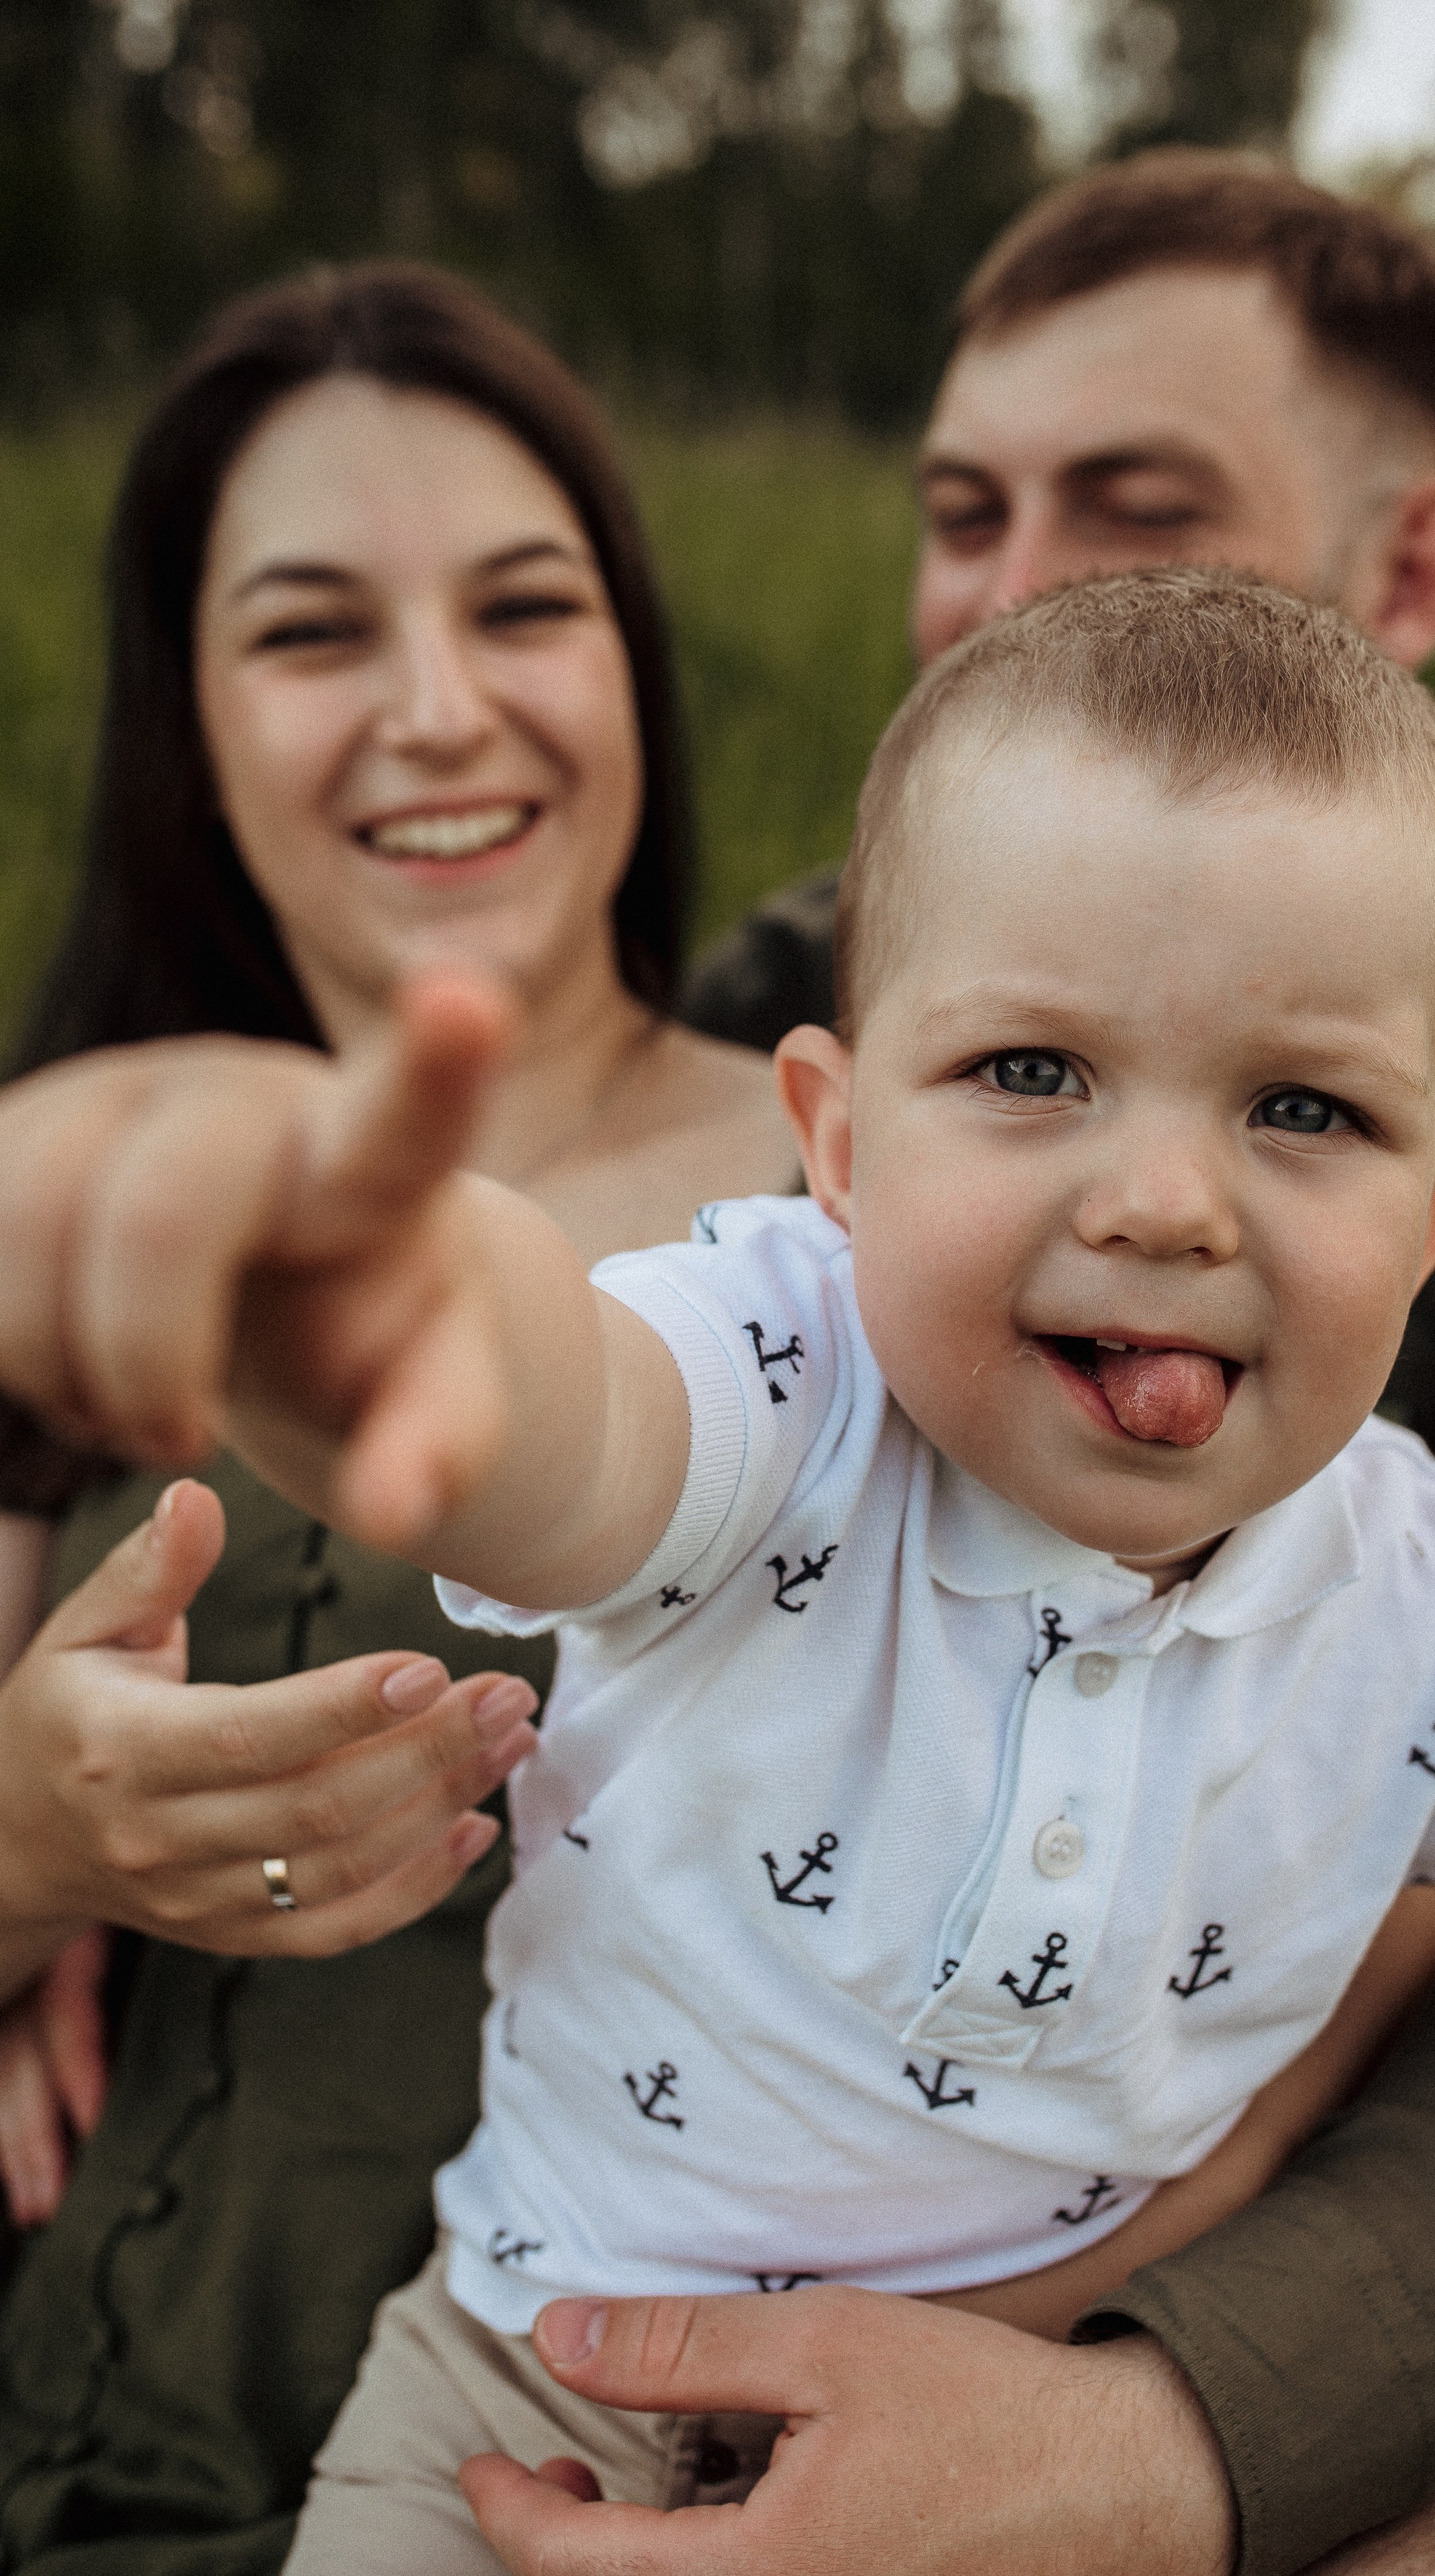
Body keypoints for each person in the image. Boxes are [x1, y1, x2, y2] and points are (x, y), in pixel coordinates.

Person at [5, 571, 1435, 2576]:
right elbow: (563, 1408)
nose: (1167, 1200)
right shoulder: (784, 1380)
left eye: (1302, 1107)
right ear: (833, 1139)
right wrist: (347, 1279)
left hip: (1050, 2402)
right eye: (1032, 1071)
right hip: (540, 2391)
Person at [670, 148, 1435, 2576]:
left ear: (1415, 568)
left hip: (1298, 2265)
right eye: (965, 502)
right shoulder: (806, 974)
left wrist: (1172, 2428)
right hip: (702, 2164)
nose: (1009, 587)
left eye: (1133, 506)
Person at [0, 261, 794, 2570]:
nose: (439, 712)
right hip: (95, 2444)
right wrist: (37, 1842)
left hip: (621, 2501)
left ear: (631, 656)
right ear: (192, 716)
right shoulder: (75, 1208)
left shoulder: (884, 1196)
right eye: (315, 630)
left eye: (524, 607)